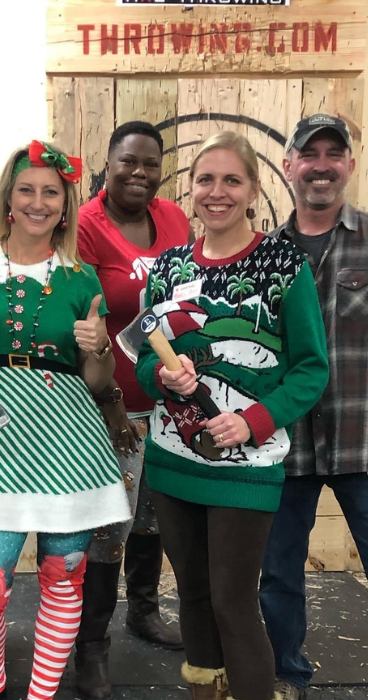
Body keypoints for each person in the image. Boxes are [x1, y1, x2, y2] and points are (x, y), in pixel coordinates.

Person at [0, 140, 131, 700]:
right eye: (27, 190)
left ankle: (41, 695)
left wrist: (97, 349)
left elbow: (96, 377)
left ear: (65, 205)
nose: (38, 202)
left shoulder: (81, 277)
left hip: (69, 435)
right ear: (8, 199)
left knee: (64, 575)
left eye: (51, 192)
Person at [134, 131, 329, 700]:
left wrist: (253, 421)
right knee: (191, 593)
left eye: (231, 180)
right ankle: (204, 690)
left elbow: (310, 369)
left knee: (232, 600)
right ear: (190, 188)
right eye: (205, 179)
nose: (216, 192)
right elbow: (146, 358)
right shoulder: (167, 269)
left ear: (253, 189)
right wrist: (162, 377)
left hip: (248, 466)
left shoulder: (283, 264)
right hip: (172, 459)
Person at [76, 120, 189, 700]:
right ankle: (90, 647)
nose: (139, 173)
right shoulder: (86, 227)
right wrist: (112, 401)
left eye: (150, 163)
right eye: (128, 162)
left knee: (153, 517)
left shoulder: (172, 219)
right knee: (106, 528)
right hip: (106, 405)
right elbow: (86, 326)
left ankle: (143, 611)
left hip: (166, 402)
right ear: (108, 165)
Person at [259, 114, 368, 700]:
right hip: (286, 444)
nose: (321, 165)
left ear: (349, 164)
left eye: (334, 153)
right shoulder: (266, 256)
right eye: (309, 154)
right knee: (279, 574)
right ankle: (286, 678)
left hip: (363, 441)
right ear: (289, 167)